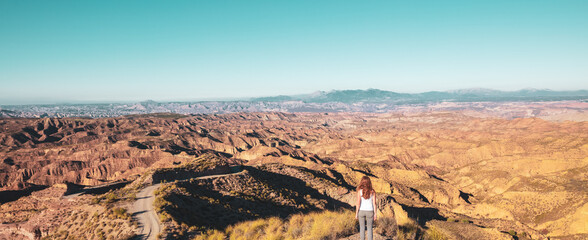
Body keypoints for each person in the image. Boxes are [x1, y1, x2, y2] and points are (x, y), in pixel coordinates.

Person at [355, 176, 377, 240]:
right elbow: (374, 203)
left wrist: (356, 214)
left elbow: (358, 203)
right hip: (370, 211)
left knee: (362, 228)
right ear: (369, 182)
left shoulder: (359, 191)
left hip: (361, 211)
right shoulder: (372, 191)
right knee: (370, 228)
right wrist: (375, 214)